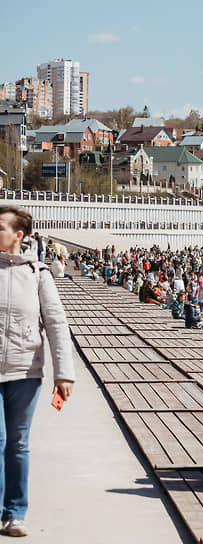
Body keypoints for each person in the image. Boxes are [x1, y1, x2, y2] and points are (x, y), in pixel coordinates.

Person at [0, 206, 75, 537]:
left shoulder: (37, 273)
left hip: (25, 372)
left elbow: (57, 324)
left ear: (19, 235)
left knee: (17, 443)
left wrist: (65, 373)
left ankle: (15, 512)